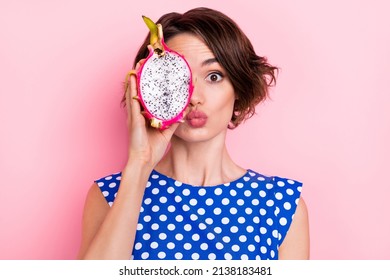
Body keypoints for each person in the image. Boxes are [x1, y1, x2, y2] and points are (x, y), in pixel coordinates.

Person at [77, 7, 309, 260]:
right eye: (178, 79)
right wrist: (140, 163)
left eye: (214, 76)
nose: (194, 97)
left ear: (238, 88)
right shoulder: (110, 194)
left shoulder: (281, 205)